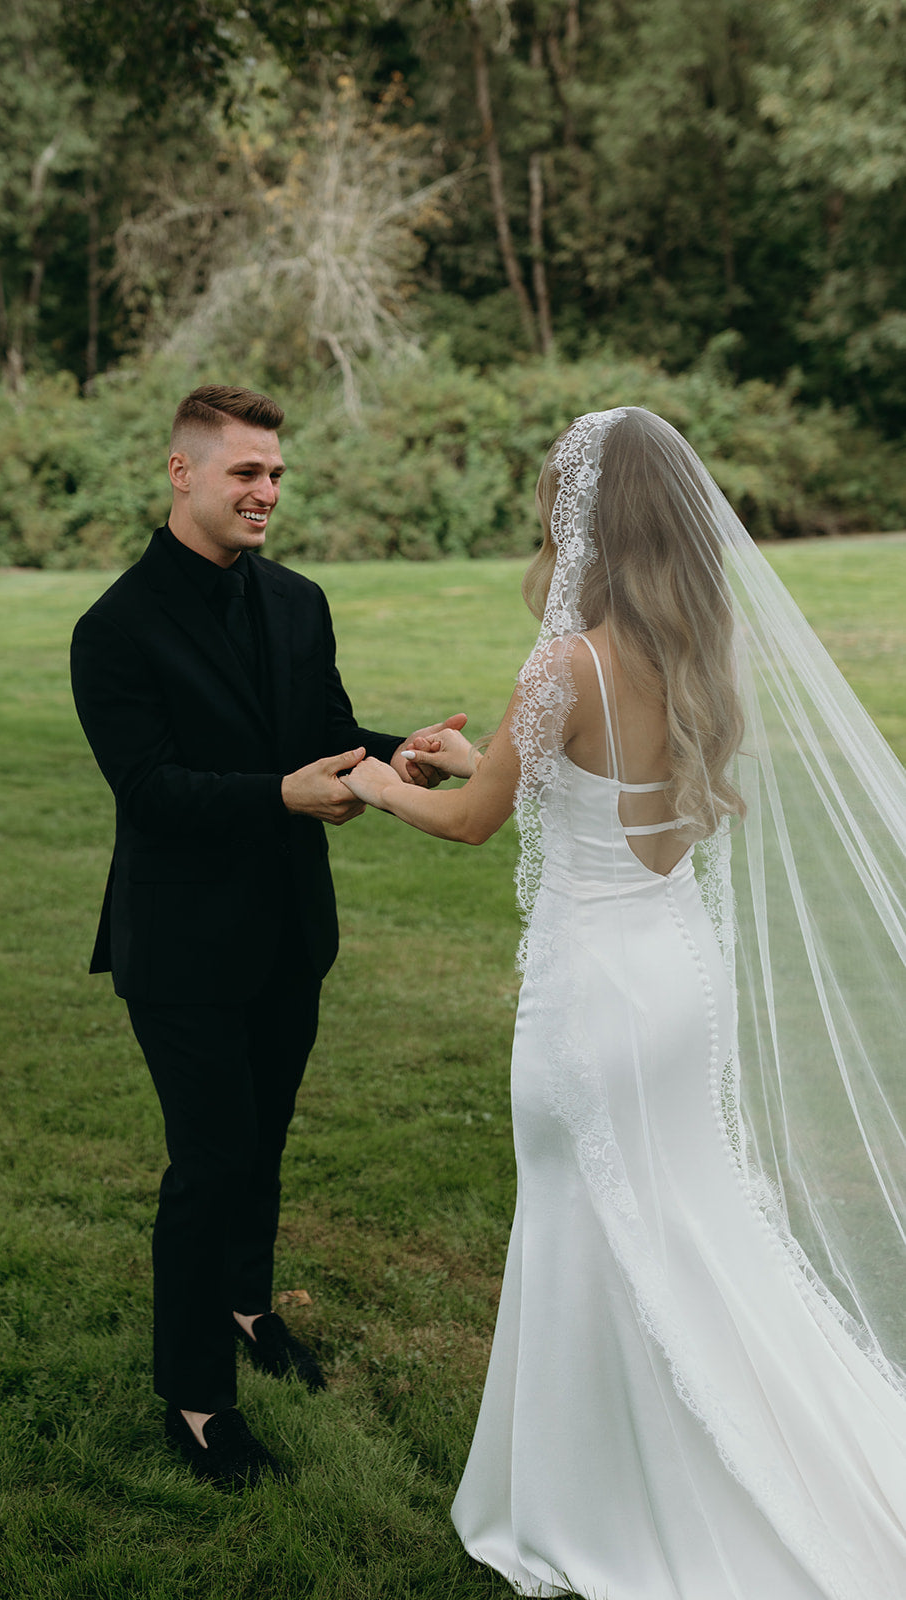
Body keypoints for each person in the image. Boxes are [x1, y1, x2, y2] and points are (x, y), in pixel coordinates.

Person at [341, 406, 906, 1598]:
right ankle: (691, 1447)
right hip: (673, 972)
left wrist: (372, 784)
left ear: (584, 510)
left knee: (581, 1218)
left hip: (590, 991)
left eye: (553, 489)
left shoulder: (567, 660)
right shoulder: (692, 645)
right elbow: (573, 777)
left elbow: (471, 816)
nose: (542, 508)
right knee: (687, 1219)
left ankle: (587, 1496)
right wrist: (476, 755)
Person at [70, 384, 464, 1489]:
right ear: (182, 472)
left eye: (277, 474)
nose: (267, 493)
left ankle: (247, 1307)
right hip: (183, 948)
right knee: (210, 1161)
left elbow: (325, 736)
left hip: (291, 931)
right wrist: (279, 796)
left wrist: (403, 751)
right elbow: (149, 792)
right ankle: (196, 1398)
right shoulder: (113, 627)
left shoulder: (297, 601)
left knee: (266, 1142)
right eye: (247, 472)